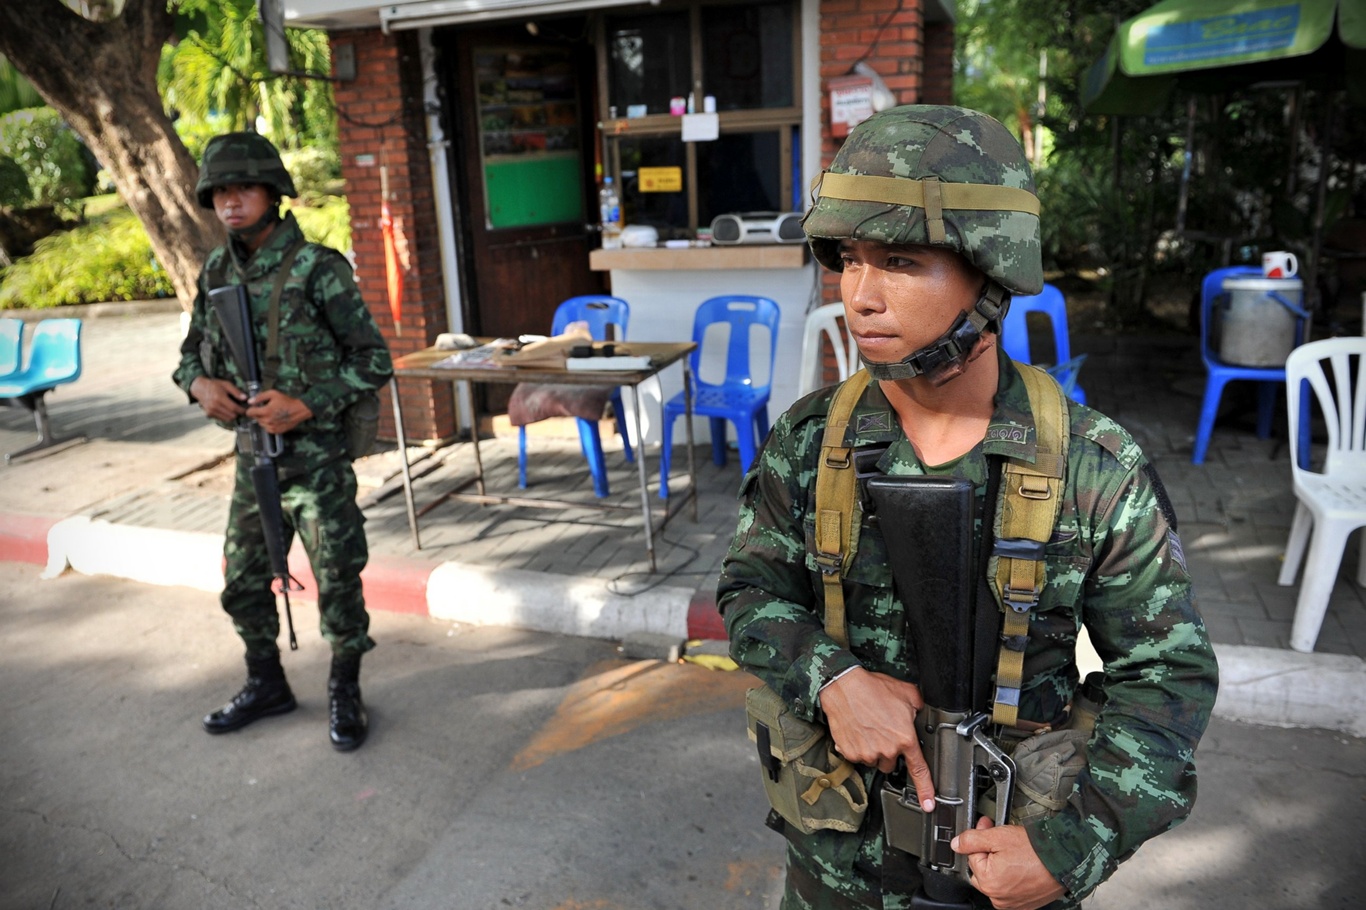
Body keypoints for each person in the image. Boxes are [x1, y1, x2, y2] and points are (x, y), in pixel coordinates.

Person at [718, 105, 1219, 910]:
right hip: (836, 874)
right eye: (849, 260)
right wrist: (833, 679)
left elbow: (1166, 676)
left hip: (1006, 874)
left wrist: (1067, 851)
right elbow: (750, 590)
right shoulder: (810, 443)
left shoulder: (1091, 468)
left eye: (900, 261)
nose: (860, 295)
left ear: (991, 273)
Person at [173, 132, 394, 752]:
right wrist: (199, 386)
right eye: (220, 190)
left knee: (338, 581)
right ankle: (266, 683)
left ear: (272, 193)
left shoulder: (317, 269)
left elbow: (373, 360)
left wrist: (307, 403)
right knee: (243, 582)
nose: (231, 201)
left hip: (317, 463)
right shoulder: (215, 271)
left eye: (244, 187)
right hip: (252, 461)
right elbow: (188, 355)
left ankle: (345, 688)